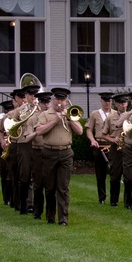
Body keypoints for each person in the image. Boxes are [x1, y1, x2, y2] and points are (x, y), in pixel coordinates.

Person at [34, 87, 82, 226]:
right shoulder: (45, 114)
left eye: (63, 100)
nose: (60, 103)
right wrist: (55, 120)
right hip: (49, 152)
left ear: (66, 101)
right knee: (49, 187)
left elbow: (79, 131)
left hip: (66, 153)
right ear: (53, 100)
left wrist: (69, 118)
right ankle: (50, 216)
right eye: (57, 99)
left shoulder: (70, 114)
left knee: (63, 187)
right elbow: (39, 131)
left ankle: (63, 219)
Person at [20, 88, 52, 220]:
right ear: (39, 103)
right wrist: (36, 133)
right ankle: (37, 211)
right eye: (43, 102)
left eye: (48, 102)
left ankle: (51, 212)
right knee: (38, 184)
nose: (46, 105)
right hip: (37, 151)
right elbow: (27, 137)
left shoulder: (54, 117)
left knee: (51, 184)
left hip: (51, 151)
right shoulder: (32, 118)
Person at [86, 91, 116, 204]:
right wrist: (92, 140)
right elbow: (89, 129)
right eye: (105, 101)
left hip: (112, 144)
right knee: (100, 173)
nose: (107, 103)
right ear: (101, 101)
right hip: (99, 144)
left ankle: (114, 198)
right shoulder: (95, 114)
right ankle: (102, 197)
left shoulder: (115, 114)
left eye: (109, 101)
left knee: (114, 172)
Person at [106, 93, 128, 206]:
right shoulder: (110, 118)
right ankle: (114, 200)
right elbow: (103, 134)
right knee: (115, 174)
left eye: (124, 102)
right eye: (120, 103)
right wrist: (112, 139)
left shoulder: (131, 115)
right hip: (116, 148)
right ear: (116, 104)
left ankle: (128, 202)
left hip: (128, 147)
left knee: (129, 175)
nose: (123, 105)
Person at [0, 99, 14, 206]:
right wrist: (2, 140)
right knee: (5, 173)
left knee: (14, 174)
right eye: (6, 110)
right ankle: (6, 198)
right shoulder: (4, 118)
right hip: (5, 148)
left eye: (10, 109)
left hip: (16, 145)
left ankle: (13, 198)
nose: (8, 111)